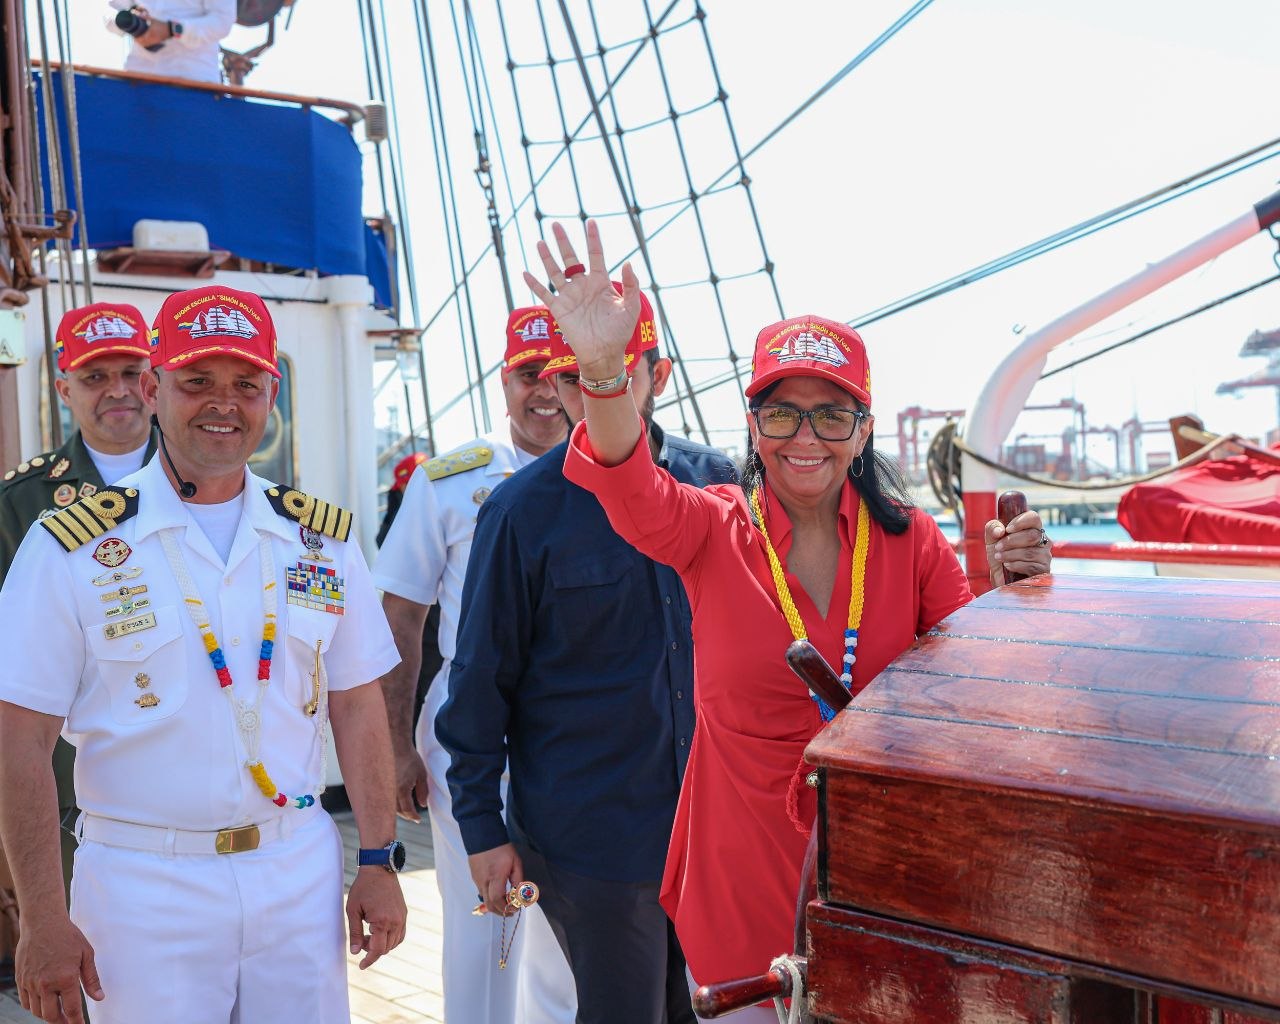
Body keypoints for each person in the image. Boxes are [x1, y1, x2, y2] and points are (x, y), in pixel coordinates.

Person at [529, 221, 1053, 1021]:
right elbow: (630, 484)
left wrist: (1017, 590)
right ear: (753, 425)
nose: (806, 438)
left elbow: (981, 684)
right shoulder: (710, 527)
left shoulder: (912, 542)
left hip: (879, 885)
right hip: (738, 887)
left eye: (831, 416)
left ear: (863, 430)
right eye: (782, 415)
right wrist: (603, 372)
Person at [0, 284, 407, 1024]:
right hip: (142, 885)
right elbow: (19, 739)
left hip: (297, 871)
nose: (224, 403)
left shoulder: (320, 540)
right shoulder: (70, 548)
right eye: (197, 381)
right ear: (154, 389)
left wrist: (378, 860)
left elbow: (356, 703)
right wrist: (42, 918)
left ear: (271, 396)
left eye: (246, 384)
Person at [436, 283, 737, 1024]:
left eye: (615, 372)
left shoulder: (723, 485)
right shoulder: (520, 511)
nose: (591, 392)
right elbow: (479, 682)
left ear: (660, 376)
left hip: (719, 828)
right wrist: (482, 830)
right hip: (594, 839)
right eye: (573, 377)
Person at [375, 306, 576, 1024]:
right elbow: (401, 615)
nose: (545, 391)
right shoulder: (448, 482)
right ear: (504, 381)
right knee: (483, 932)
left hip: (586, 737)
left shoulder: (623, 478)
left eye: (561, 374)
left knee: (575, 934)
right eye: (529, 374)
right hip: (474, 733)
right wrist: (396, 746)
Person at [0, 301, 157, 903]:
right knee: (80, 936)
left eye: (131, 373)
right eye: (95, 376)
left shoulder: (213, 482)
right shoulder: (21, 502)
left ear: (155, 380)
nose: (117, 391)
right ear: (65, 389)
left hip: (201, 765)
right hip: (73, 777)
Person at [107, 0, 237, 85]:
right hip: (136, 79)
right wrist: (130, 16)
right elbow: (111, 12)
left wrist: (173, 29)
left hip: (193, 82)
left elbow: (222, 21)